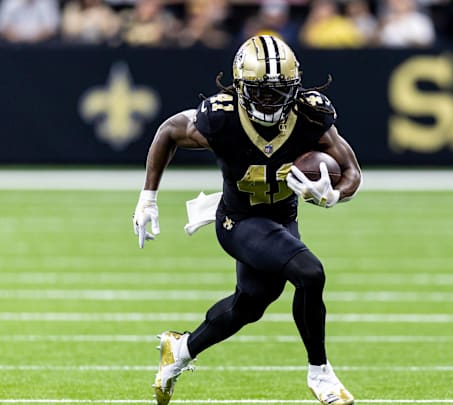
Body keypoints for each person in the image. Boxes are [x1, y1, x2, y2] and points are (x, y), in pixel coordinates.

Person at [132, 34, 362, 405]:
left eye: (278, 91)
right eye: (260, 91)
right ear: (240, 87)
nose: (270, 100)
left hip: (282, 219)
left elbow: (352, 171)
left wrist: (334, 195)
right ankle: (321, 373)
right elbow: (168, 132)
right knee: (310, 273)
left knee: (251, 304)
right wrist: (148, 198)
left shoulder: (310, 114)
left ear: (296, 87)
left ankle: (181, 349)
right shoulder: (222, 117)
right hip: (238, 221)